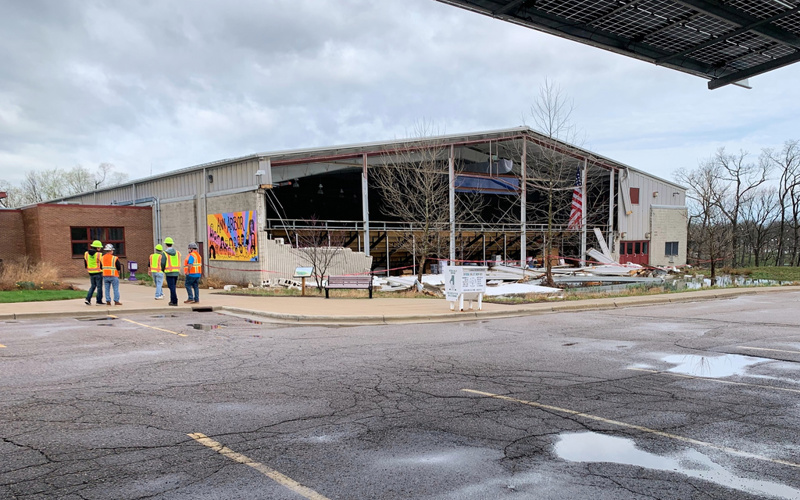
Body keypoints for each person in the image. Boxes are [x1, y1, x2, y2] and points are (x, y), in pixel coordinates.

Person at [161, 237, 182, 306]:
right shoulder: (177, 253)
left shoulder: (165, 253)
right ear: (172, 244)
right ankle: (172, 300)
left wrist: (162, 270)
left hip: (169, 272)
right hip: (176, 272)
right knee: (173, 287)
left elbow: (162, 263)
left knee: (171, 287)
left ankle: (174, 300)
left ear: (166, 244)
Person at [84, 240, 104, 305]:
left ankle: (88, 299)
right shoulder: (99, 254)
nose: (100, 249)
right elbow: (102, 263)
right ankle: (99, 301)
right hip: (98, 272)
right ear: (97, 248)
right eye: (100, 248)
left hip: (90, 272)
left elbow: (85, 262)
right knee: (99, 287)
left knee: (92, 286)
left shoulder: (86, 253)